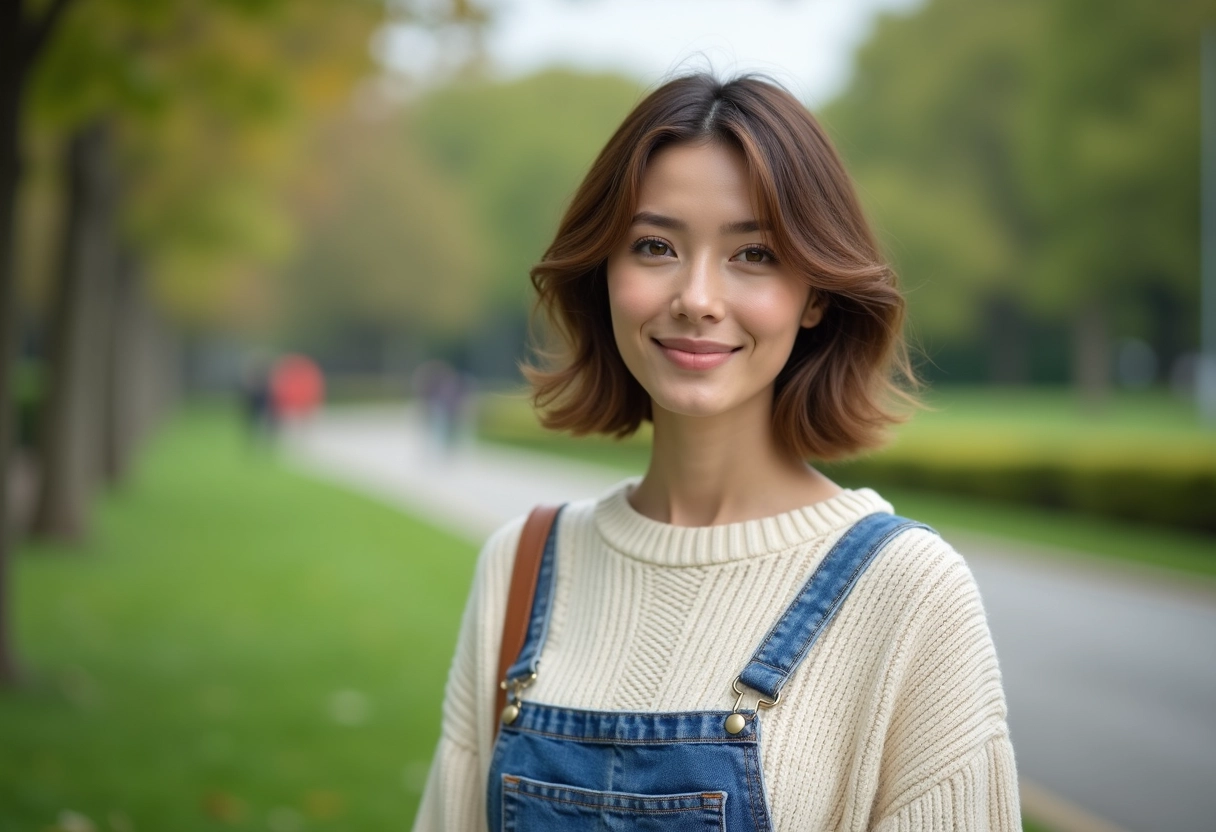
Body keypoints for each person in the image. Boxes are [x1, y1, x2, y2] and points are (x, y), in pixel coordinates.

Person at [413, 74, 1019, 831]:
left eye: (754, 253)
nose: (697, 296)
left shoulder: (909, 592)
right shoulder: (522, 566)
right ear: (605, 273)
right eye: (655, 246)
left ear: (817, 294)